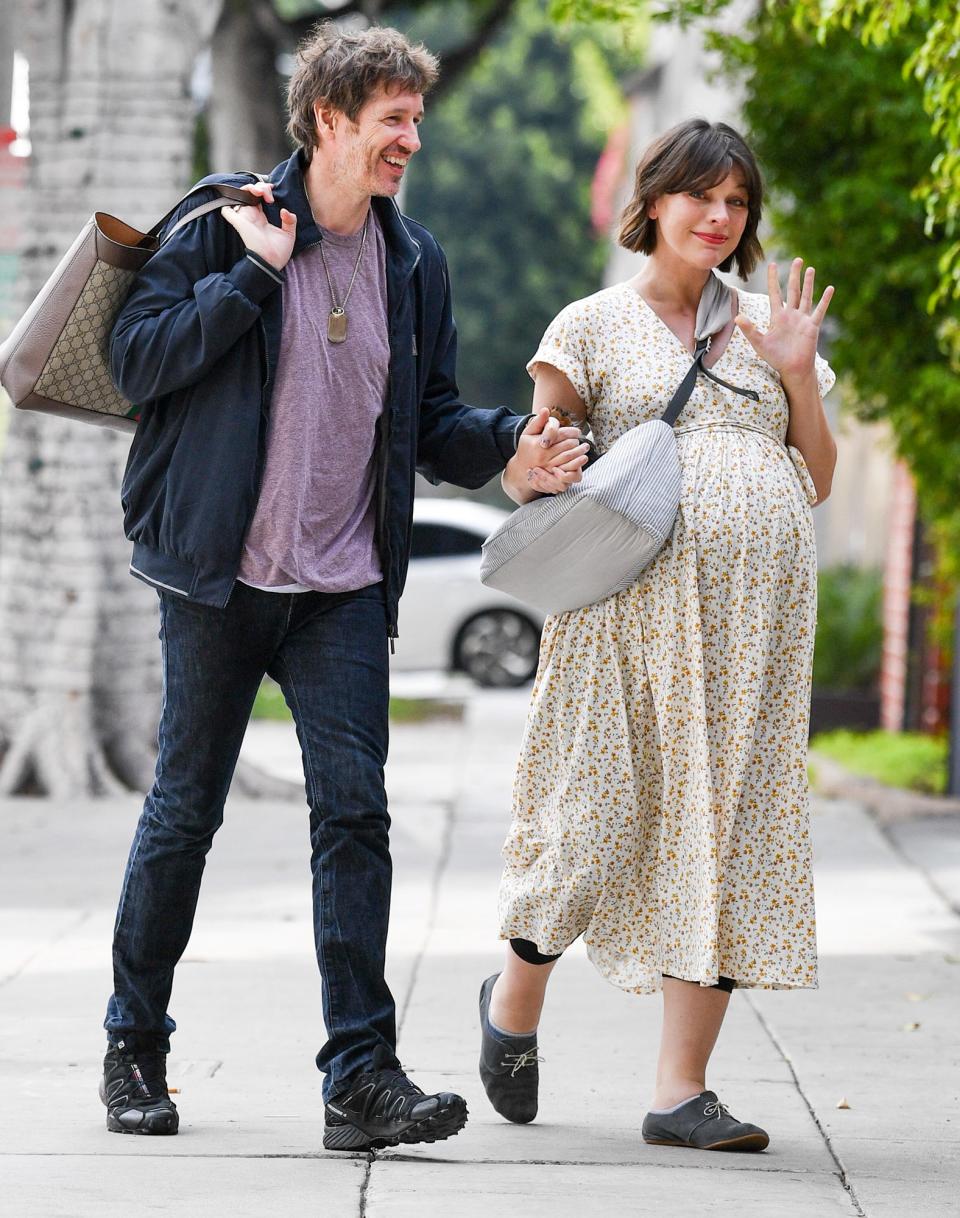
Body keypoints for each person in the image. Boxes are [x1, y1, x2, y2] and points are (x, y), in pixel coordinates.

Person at [100, 22, 587, 1150]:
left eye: (416, 119)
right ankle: (135, 1044)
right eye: (392, 121)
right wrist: (254, 283)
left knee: (355, 817)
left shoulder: (412, 260)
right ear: (327, 119)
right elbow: (138, 362)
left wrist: (512, 444)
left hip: (344, 589)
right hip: (217, 578)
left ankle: (359, 1078)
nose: (411, 139)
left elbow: (431, 419)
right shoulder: (225, 223)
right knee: (184, 815)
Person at [477, 118, 837, 1152]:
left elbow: (817, 478)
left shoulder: (771, 325)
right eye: (701, 197)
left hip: (751, 635)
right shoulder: (589, 323)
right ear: (656, 203)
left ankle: (681, 1092)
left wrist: (800, 375)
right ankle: (513, 1004)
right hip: (623, 618)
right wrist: (532, 464)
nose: (720, 218)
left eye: (737, 203)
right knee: (586, 817)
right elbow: (532, 469)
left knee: (725, 829)